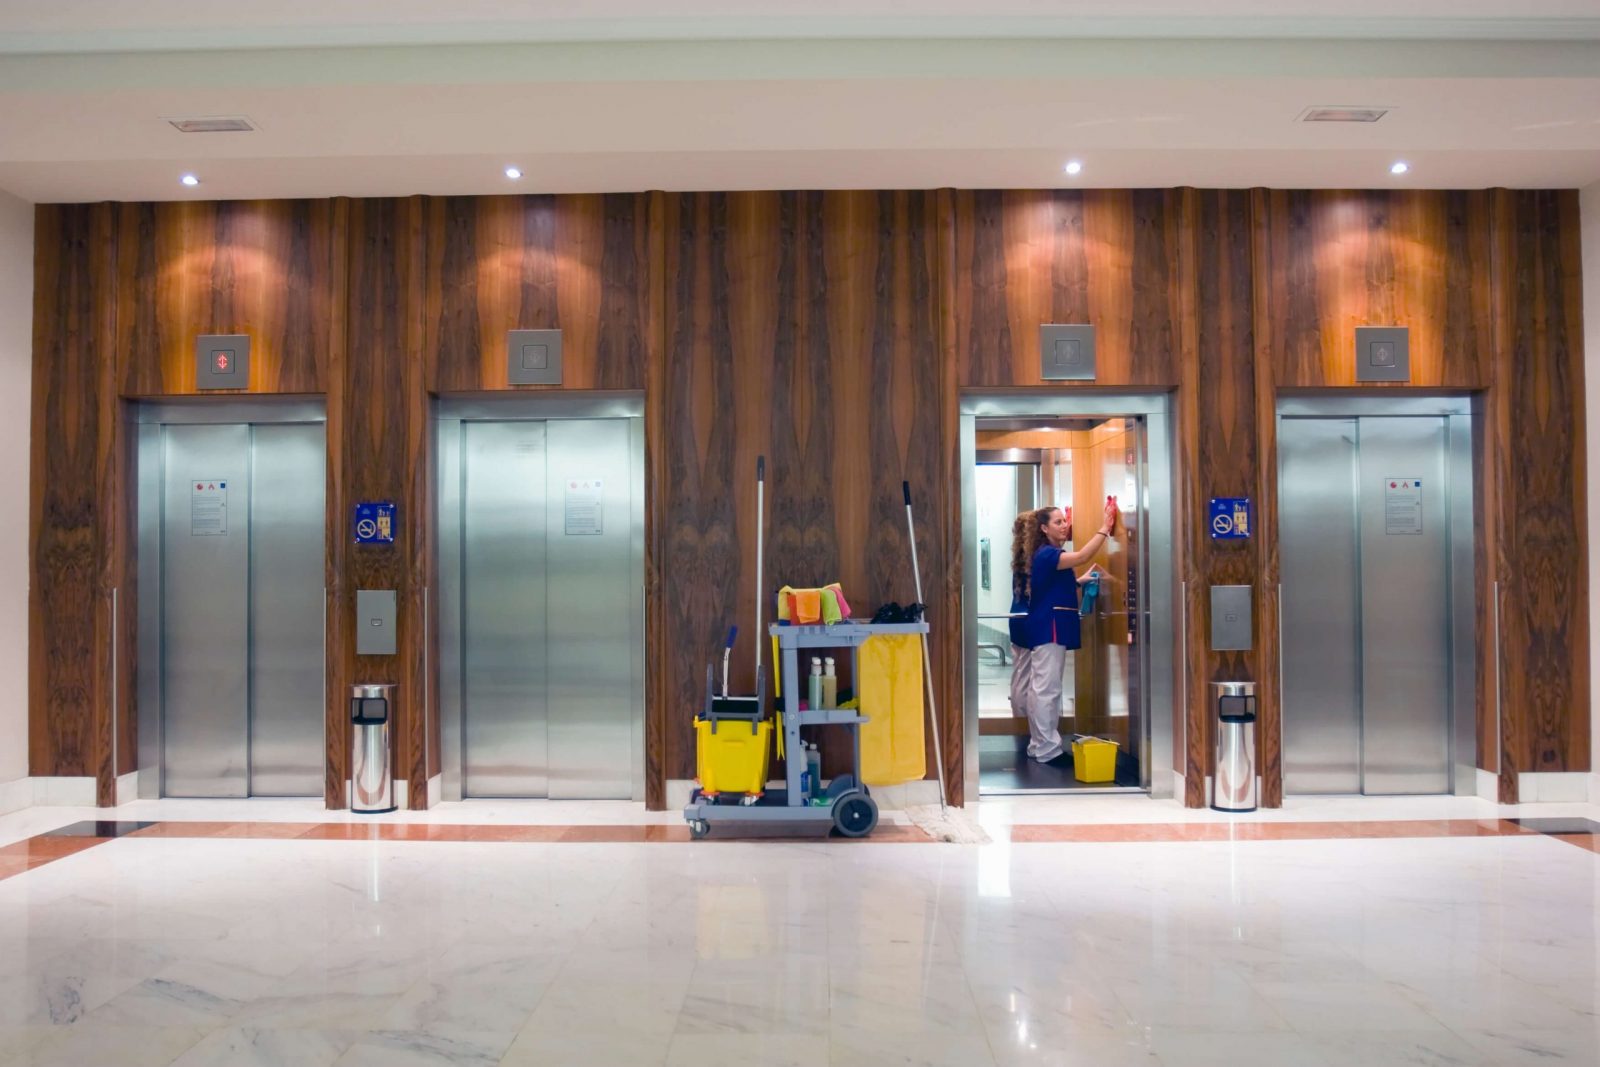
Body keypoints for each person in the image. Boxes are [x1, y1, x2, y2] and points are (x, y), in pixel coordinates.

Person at [1021, 498, 1118, 763]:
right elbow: (1083, 556)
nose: (1064, 525)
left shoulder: (1048, 554)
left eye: (1065, 520)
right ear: (1044, 528)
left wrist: (1079, 581)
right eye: (1058, 522)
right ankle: (1047, 750)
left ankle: (1039, 745)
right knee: (1047, 690)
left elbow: (1052, 586)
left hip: (1047, 626)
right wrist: (1104, 528)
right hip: (1049, 627)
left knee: (1042, 688)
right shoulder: (1048, 554)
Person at [1007, 511, 1037, 721]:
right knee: (1025, 675)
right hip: (1027, 620)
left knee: (1019, 672)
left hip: (1017, 617)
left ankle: (1018, 717)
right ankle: (1021, 720)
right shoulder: (1033, 558)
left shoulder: (1020, 555)